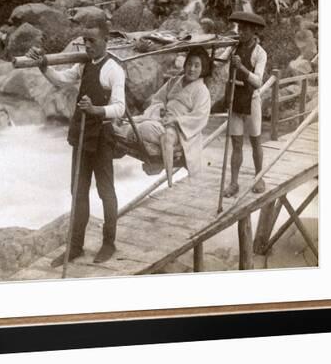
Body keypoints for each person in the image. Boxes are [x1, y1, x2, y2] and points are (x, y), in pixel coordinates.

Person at [27, 21, 126, 265]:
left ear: (106, 41)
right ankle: (76, 246)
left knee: (105, 191)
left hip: (102, 137)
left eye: (92, 41)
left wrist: (95, 109)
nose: (87, 45)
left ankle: (108, 243)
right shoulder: (83, 65)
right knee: (78, 191)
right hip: (81, 133)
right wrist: (43, 66)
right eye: (85, 40)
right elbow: (61, 80)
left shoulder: (114, 69)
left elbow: (120, 108)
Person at [124, 48, 212, 185]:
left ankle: (169, 174)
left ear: (203, 68)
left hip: (180, 130)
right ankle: (155, 143)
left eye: (197, 65)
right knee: (132, 125)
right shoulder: (174, 81)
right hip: (162, 120)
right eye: (189, 64)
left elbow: (200, 116)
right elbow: (158, 99)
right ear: (185, 64)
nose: (192, 69)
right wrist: (161, 110)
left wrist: (176, 120)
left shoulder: (202, 91)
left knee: (148, 129)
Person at [222, 11, 268, 197]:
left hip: (252, 101)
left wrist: (241, 67)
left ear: (254, 31)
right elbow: (219, 62)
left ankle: (259, 177)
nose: (241, 33)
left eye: (245, 30)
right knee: (236, 144)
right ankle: (233, 183)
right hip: (234, 97)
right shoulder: (233, 47)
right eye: (240, 29)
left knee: (255, 141)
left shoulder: (260, 53)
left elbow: (258, 81)